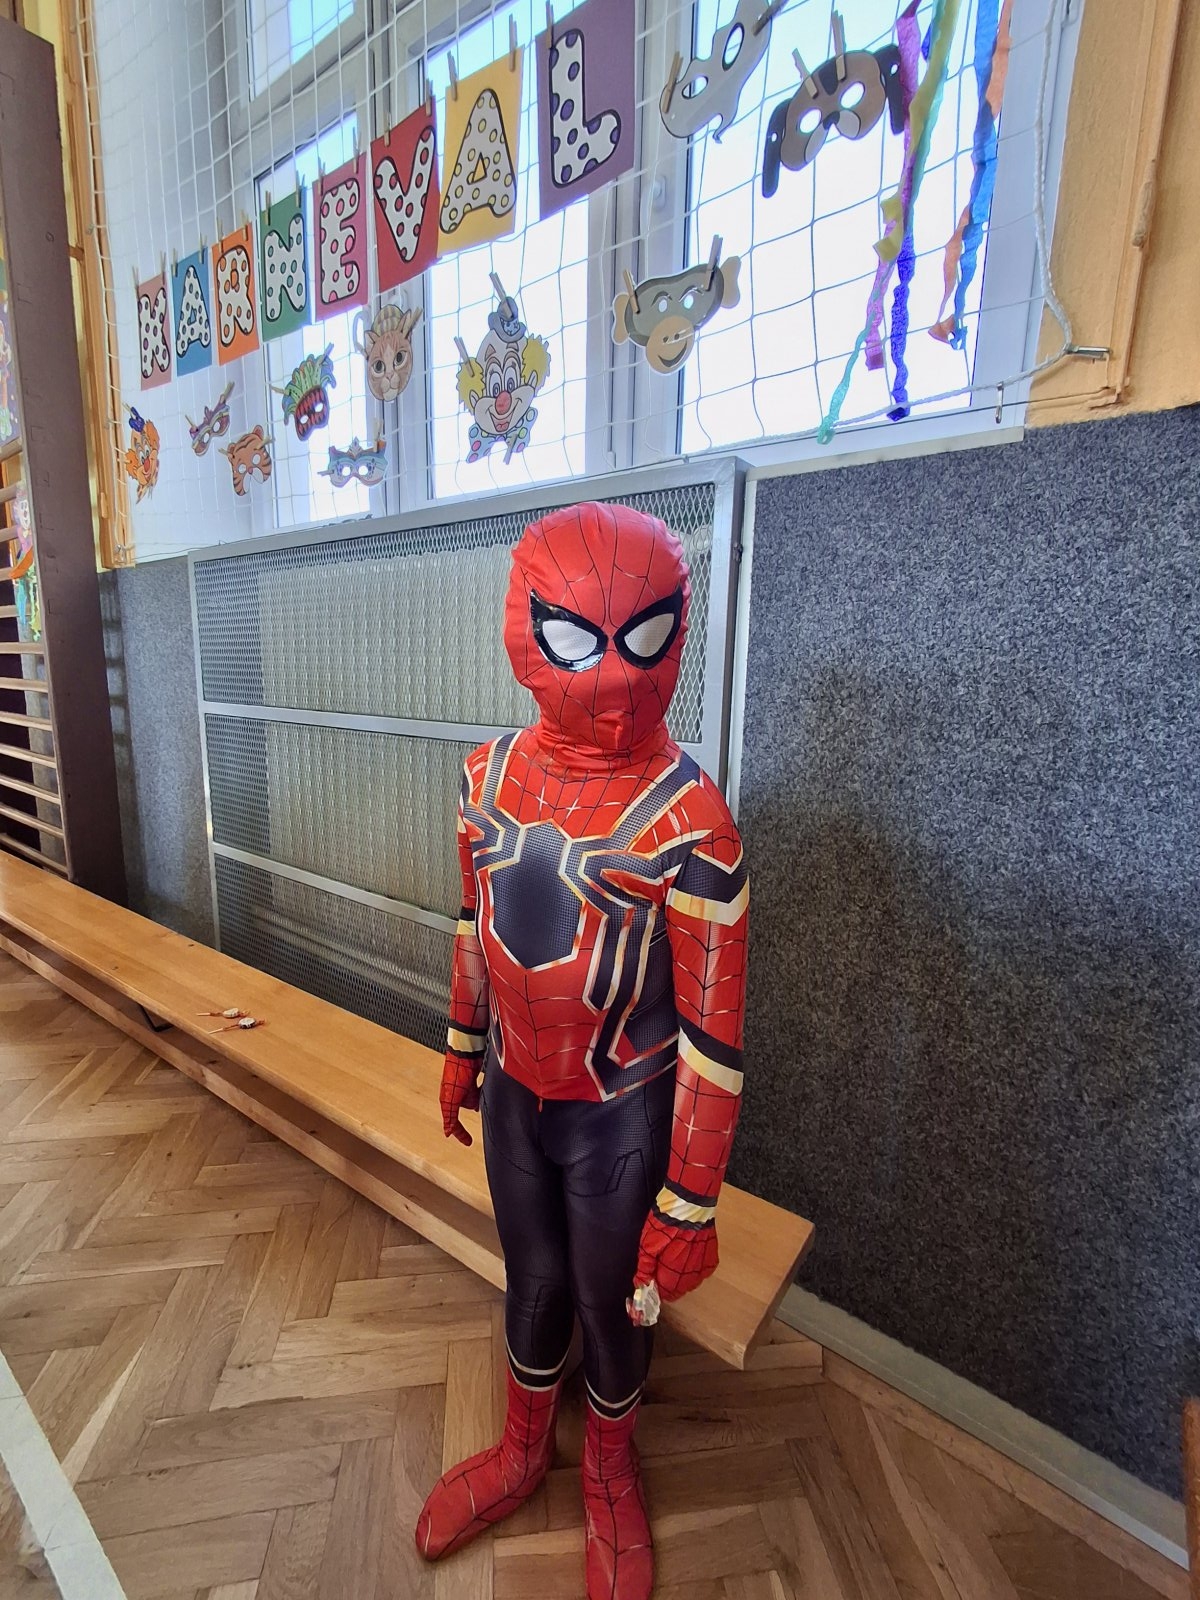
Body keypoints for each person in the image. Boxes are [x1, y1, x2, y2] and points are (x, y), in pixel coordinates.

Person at [415, 501, 749, 1600]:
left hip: (624, 1114)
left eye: (642, 639)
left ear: (677, 628)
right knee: (533, 1278)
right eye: (577, 639)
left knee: (612, 1304)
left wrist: (691, 1201)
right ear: (528, 628)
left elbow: (714, 1031)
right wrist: (462, 1042)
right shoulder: (484, 776)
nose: (612, 675)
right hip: (520, 1095)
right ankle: (523, 1449)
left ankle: (608, 1469)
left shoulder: (694, 819)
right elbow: (473, 923)